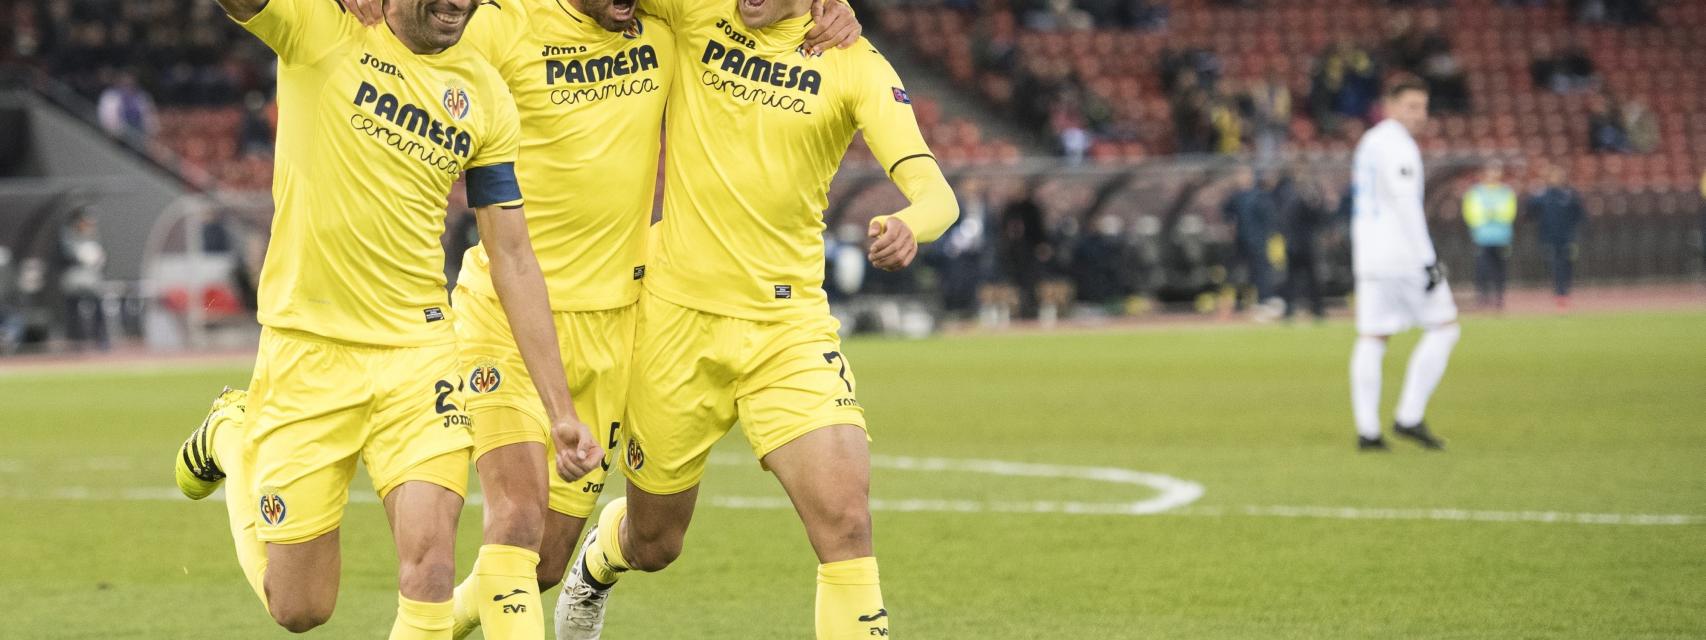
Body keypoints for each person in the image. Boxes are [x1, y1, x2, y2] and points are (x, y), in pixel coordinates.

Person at [329, 0, 860, 635]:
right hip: (506, 316)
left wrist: (826, 8)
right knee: (517, 522)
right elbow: (411, 36)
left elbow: (756, 22)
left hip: (611, 331)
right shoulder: (508, 23)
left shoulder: (667, 29)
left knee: (542, 563)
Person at [168, 0, 603, 637]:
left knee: (429, 569)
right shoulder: (316, 29)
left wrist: (560, 410)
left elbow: (511, 255)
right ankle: (231, 437)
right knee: (301, 607)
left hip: (418, 353)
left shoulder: (484, 93)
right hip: (308, 349)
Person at [553, 0, 959, 636]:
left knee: (846, 522)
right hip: (674, 323)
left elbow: (938, 193)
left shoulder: (852, 62)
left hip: (786, 329)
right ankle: (605, 555)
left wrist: (910, 225)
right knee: (656, 543)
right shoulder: (694, 11)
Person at [1348, 76, 1457, 452]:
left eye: (1423, 107)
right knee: (1444, 327)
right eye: (1411, 106)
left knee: (1373, 337)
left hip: (1369, 254)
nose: (1419, 115)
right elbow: (1405, 202)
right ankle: (1409, 415)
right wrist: (1428, 260)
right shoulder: (1397, 145)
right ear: (1390, 106)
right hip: (1402, 255)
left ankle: (1368, 431)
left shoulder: (1369, 142)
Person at [1222, 165, 1278, 316]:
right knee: (1235, 273)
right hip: (1241, 241)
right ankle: (1232, 303)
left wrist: (1265, 236)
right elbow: (1227, 213)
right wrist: (1231, 228)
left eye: (1244, 175)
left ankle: (1264, 301)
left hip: (1258, 241)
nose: (1240, 178)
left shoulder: (1259, 196)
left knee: (1260, 272)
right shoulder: (1236, 197)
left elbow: (1268, 218)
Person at [1527, 164, 1586, 308]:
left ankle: (1565, 292)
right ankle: (1558, 293)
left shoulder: (1570, 195)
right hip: (1548, 237)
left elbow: (1579, 215)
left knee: (1567, 266)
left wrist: (1575, 234)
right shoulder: (1542, 195)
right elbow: (1530, 212)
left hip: (1567, 238)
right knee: (1554, 266)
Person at [1275, 170, 1329, 321]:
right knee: (1295, 279)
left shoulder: (1297, 197)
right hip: (1299, 243)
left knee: (1309, 278)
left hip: (1302, 243)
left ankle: (1315, 309)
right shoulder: (1294, 197)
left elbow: (1317, 217)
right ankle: (1294, 309)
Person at [1462, 162, 1517, 309]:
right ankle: (1483, 297)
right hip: (1482, 237)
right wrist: (1483, 220)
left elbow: (1510, 212)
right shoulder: (1475, 192)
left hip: (1501, 237)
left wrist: (1493, 215)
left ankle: (1499, 297)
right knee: (1482, 268)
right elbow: (1470, 212)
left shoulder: (1506, 192)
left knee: (1500, 268)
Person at [58, 209, 108, 350]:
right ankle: (74, 340)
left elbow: (100, 258)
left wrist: (97, 259)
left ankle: (101, 338)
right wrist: (80, 255)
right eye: (85, 222)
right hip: (74, 281)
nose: (88, 226)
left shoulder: (95, 237)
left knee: (98, 307)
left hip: (91, 280)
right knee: (73, 311)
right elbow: (65, 255)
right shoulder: (68, 236)